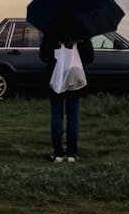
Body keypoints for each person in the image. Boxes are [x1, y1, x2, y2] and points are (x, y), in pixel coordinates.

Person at [39, 31, 94, 163]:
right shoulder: (81, 30)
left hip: (55, 77)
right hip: (74, 78)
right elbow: (89, 57)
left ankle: (58, 154)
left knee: (56, 115)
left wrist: (57, 58)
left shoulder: (51, 29)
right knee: (73, 115)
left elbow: (43, 56)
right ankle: (72, 154)